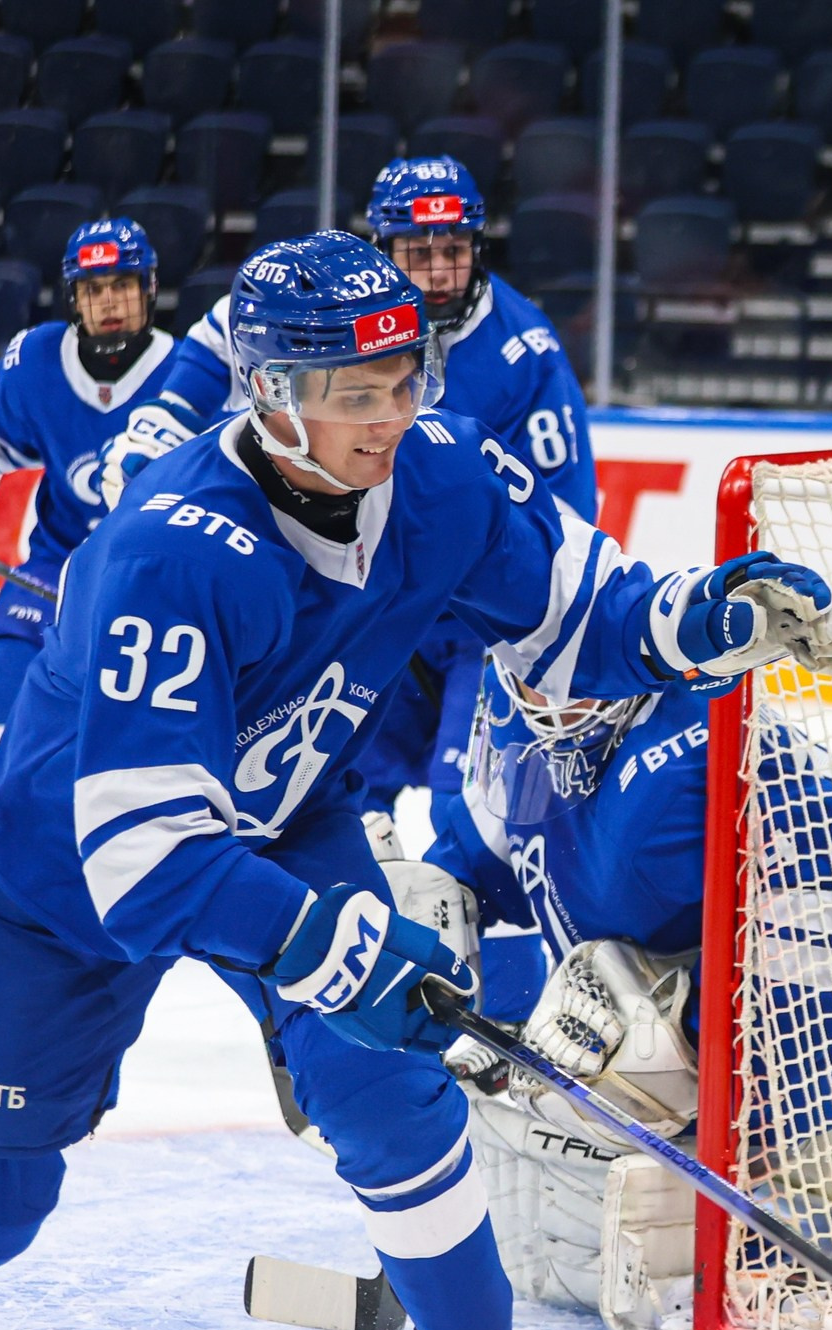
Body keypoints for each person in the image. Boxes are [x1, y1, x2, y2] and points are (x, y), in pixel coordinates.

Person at [0, 232, 831, 1330]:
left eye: (406, 378)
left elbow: (575, 610)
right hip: (67, 885)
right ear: (268, 394)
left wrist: (698, 621)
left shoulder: (432, 477)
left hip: (288, 820)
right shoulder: (174, 551)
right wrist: (326, 945)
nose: (392, 416)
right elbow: (144, 857)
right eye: (354, 394)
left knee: (382, 1078)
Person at [418, 673, 832, 1330]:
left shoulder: (679, 770)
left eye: (574, 682)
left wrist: (707, 1084)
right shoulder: (521, 717)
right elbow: (475, 866)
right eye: (533, 679)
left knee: (621, 1085)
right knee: (576, 1078)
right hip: (692, 970)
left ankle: (817, 1156)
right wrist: (432, 921)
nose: (549, 703)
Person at [100, 157, 600, 839]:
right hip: (366, 606)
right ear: (382, 247)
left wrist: (543, 620)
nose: (436, 269)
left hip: (468, 626)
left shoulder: (525, 348)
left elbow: (558, 516)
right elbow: (226, 332)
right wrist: (160, 427)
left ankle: (487, 945)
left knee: (478, 811)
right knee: (342, 806)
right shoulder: (336, 305)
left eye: (452, 249)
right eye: (416, 251)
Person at [0, 219, 190, 739]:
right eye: (93, 290)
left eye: (122, 286)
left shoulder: (187, 374)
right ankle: (25, 808)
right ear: (73, 298)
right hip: (57, 568)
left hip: (155, 577)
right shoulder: (38, 362)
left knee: (145, 719)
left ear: (148, 290)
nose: (109, 303)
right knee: (0, 679)